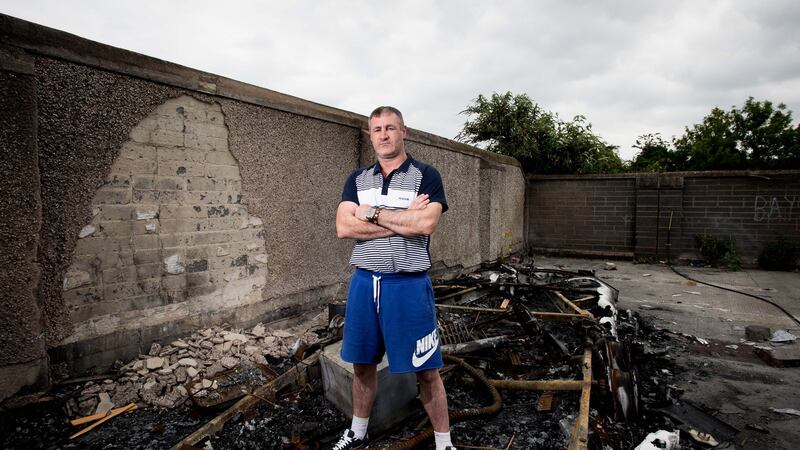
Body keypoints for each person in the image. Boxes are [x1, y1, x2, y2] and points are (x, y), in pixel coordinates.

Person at [332, 106, 456, 450]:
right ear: (371, 136)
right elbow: (344, 227)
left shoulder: (426, 175)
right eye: (376, 130)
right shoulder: (356, 179)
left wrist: (369, 214)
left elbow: (425, 224)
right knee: (362, 365)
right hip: (364, 283)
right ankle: (358, 432)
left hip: (408, 285)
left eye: (390, 128)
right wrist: (401, 220)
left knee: (427, 370)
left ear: (405, 132)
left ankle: (444, 443)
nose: (383, 135)